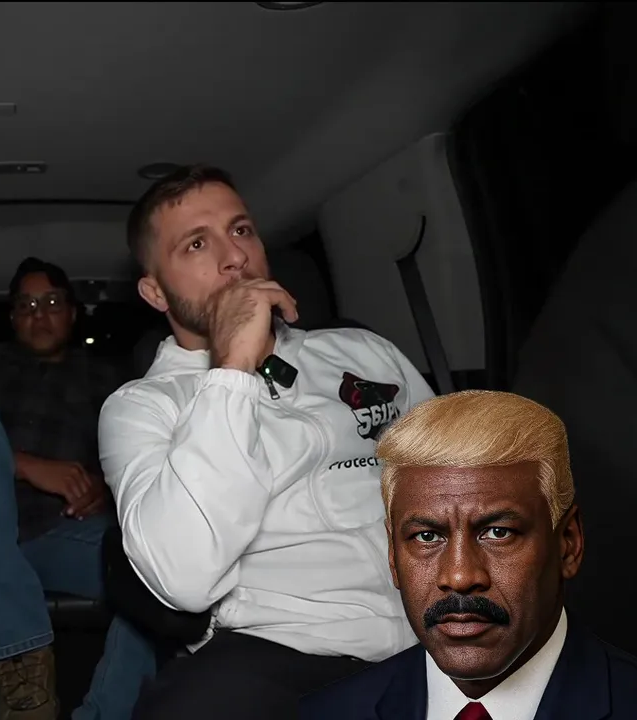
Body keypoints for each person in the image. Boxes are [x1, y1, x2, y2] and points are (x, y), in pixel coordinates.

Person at [98, 164, 437, 720]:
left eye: (241, 230)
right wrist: (232, 369)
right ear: (155, 292)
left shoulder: (363, 350)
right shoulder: (143, 406)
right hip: (284, 653)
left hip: (439, 626)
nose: (234, 255)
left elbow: (460, 473)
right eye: (196, 244)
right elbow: (184, 579)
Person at [300, 390, 637, 720]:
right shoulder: (323, 714)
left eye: (498, 533)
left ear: (568, 543)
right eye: (427, 536)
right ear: (392, 554)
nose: (460, 576)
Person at [0, 257, 157, 720]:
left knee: (158, 576)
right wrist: (26, 465)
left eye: (51, 303)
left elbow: (141, 456)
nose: (39, 315)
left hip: (62, 529)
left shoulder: (108, 380)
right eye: (26, 306)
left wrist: (106, 489)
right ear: (12, 317)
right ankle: (23, 678)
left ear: (72, 313)